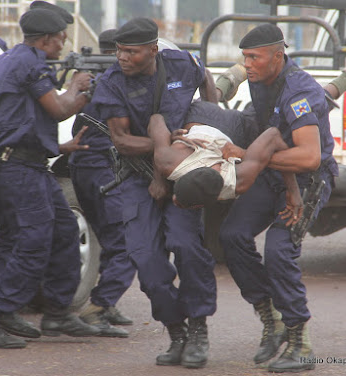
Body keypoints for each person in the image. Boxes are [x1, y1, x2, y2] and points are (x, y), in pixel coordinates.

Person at [215, 24, 346, 373]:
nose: (248, 65)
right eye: (244, 58)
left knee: (278, 249)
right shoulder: (262, 81)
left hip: (310, 178)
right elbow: (276, 136)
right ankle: (271, 320)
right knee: (232, 235)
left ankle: (299, 341)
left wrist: (248, 157)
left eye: (254, 57)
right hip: (276, 173)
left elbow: (308, 157)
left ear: (278, 56)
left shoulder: (298, 88)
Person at [0, 7, 101, 349]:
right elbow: (58, 109)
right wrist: (78, 87)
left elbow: (11, 114)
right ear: (45, 40)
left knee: (55, 228)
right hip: (12, 161)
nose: (63, 43)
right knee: (34, 236)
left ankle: (56, 311)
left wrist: (56, 145)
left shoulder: (8, 58)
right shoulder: (29, 62)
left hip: (7, 156)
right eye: (60, 38)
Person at [90, 17, 217, 369]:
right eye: (119, 51)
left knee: (187, 246)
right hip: (137, 177)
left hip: (184, 174)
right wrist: (170, 144)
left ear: (153, 49)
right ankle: (176, 331)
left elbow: (207, 82)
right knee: (146, 260)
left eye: (131, 52)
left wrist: (208, 120)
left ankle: (198, 329)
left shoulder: (181, 62)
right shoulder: (112, 82)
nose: (123, 58)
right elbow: (123, 140)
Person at [68, 29, 134, 338]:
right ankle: (98, 307)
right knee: (127, 240)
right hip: (103, 169)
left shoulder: (96, 81)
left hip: (85, 167)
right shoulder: (121, 82)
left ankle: (106, 303)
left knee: (111, 238)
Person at [147, 103, 302, 224]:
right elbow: (155, 119)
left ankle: (230, 79)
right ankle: (229, 80)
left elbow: (273, 136)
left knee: (271, 109)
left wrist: (293, 192)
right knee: (263, 113)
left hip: (220, 123)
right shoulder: (167, 161)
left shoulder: (239, 181)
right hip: (204, 117)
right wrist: (170, 136)